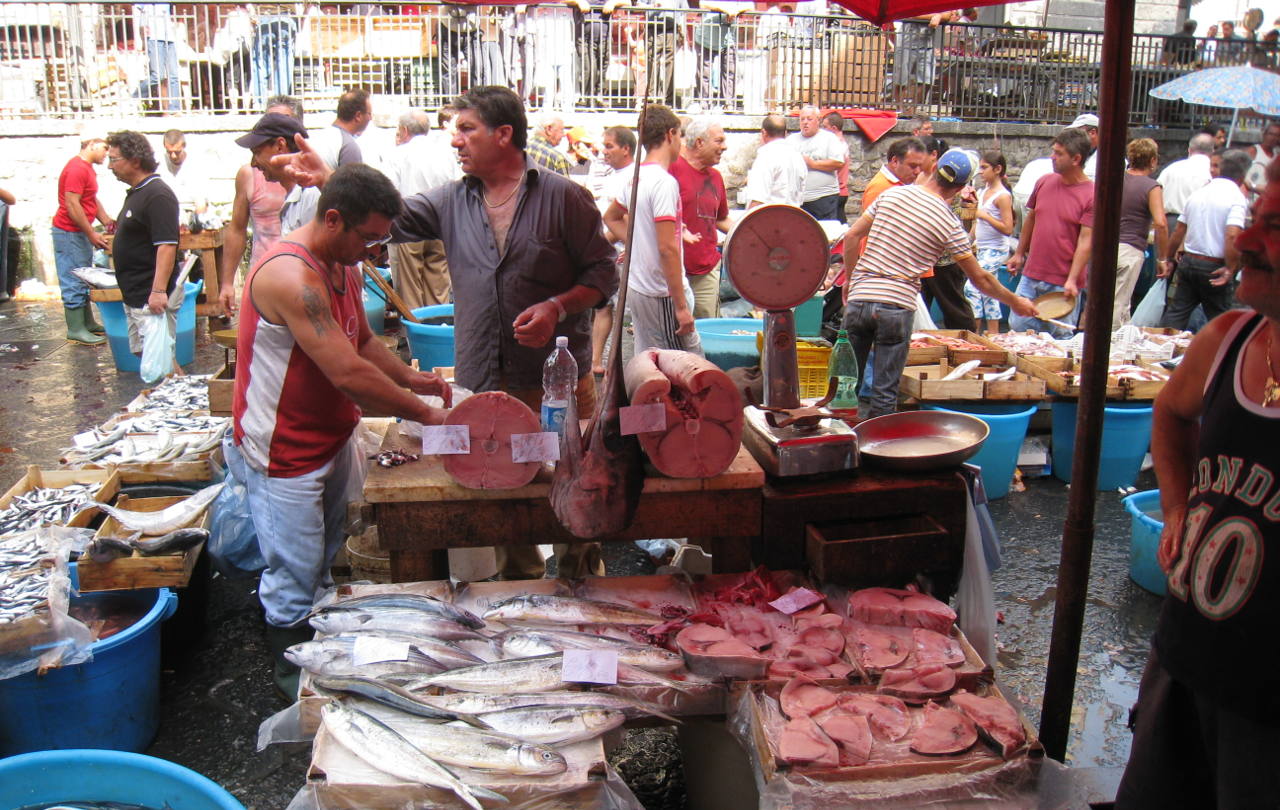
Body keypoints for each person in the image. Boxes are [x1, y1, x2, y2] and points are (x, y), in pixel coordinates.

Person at [280, 86, 618, 581]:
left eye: (466, 129)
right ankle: (519, 596)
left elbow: (603, 274)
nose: (454, 141)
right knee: (504, 497)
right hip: (486, 382)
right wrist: (332, 181)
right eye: (453, 131)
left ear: (504, 135)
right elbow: (387, 217)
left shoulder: (564, 197)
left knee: (575, 488)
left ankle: (584, 587)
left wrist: (556, 306)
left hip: (555, 385)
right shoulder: (450, 200)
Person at [230, 163, 452, 699]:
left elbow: (364, 345)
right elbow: (348, 373)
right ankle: (290, 665)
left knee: (328, 550)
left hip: (330, 434)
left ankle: (321, 629)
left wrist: (416, 380)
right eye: (370, 238)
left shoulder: (341, 266)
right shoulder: (290, 275)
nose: (376, 250)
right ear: (333, 219)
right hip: (283, 447)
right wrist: (425, 415)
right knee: (293, 564)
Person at [1113, 159, 1280, 810]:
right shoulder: (1228, 338)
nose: (1249, 243)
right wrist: (1179, 507)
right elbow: (1170, 413)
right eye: (1258, 220)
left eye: (1276, 227)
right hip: (1183, 658)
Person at [840, 150, 1035, 418]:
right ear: (959, 188)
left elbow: (851, 237)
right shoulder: (948, 222)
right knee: (884, 396)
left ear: (933, 170)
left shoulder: (893, 194)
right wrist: (1015, 302)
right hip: (896, 305)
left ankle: (837, 447)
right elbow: (981, 278)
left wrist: (851, 280)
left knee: (844, 388)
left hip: (861, 298)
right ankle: (873, 454)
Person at [605, 105, 702, 355]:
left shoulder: (636, 178)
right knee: (689, 369)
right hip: (661, 294)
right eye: (680, 136)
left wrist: (636, 245)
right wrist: (681, 307)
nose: (681, 142)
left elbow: (612, 217)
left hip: (642, 289)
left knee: (649, 366)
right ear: (670, 134)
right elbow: (667, 248)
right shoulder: (663, 182)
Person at [218, 96, 303, 317]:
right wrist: (227, 283)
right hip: (261, 280)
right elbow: (236, 229)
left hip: (299, 287)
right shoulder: (250, 174)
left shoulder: (312, 183)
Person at [1007, 128, 1095, 338]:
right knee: (1019, 329)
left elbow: (1086, 241)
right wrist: (1019, 253)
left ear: (1076, 159)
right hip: (1032, 272)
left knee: (1059, 338)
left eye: (1058, 153)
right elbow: (1032, 218)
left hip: (1062, 280)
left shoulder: (1091, 194)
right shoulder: (1044, 181)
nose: (1052, 157)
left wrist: (1072, 279)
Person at [104, 131, 182, 364]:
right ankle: (171, 392)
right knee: (146, 352)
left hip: (150, 293)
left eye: (114, 159)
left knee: (160, 357)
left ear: (135, 161)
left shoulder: (157, 194)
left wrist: (158, 291)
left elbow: (167, 245)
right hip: (136, 292)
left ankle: (181, 397)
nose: (109, 166)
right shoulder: (138, 193)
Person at [1159, 149, 1250, 330]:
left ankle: (1163, 345)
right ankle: (1222, 355)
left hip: (1190, 261)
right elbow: (1232, 234)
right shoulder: (1236, 198)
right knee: (1221, 319)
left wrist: (1167, 258)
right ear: (1242, 176)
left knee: (1178, 311)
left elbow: (1179, 230)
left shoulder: (1198, 193)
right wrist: (1231, 268)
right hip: (1214, 265)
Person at [387, 110, 460, 310]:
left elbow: (388, 190)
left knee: (410, 290)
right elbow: (457, 186)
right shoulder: (445, 154)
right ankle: (439, 328)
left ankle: (414, 337)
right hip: (440, 225)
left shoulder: (398, 154)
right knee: (439, 287)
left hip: (408, 227)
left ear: (404, 130)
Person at [52, 137, 112, 345]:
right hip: (69, 232)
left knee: (84, 276)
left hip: (77, 232)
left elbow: (90, 199)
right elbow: (72, 204)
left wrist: (106, 221)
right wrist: (90, 233)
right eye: (105, 148)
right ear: (92, 144)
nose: (107, 153)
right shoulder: (77, 168)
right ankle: (75, 328)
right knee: (73, 277)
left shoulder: (86, 168)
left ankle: (87, 322)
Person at [670, 117, 730, 319]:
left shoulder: (716, 177)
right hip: (673, 269)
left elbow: (720, 219)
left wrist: (748, 234)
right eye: (719, 141)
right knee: (673, 330)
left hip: (706, 267)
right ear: (699, 142)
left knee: (706, 328)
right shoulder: (671, 169)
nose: (725, 147)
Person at [592, 125, 636, 375]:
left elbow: (626, 220)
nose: (604, 151)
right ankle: (597, 361)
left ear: (626, 149)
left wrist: (603, 241)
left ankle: (620, 367)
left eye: (609, 146)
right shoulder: (613, 175)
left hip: (620, 253)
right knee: (603, 306)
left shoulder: (632, 177)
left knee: (623, 313)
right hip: (608, 254)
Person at [1115, 138, 1168, 329]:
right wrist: (1162, 259)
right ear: (1152, 160)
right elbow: (1161, 223)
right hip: (1130, 249)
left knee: (1107, 302)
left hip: (1104, 248)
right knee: (1118, 305)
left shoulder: (1115, 178)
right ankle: (1111, 352)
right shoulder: (1151, 187)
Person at [965, 150, 1014, 334]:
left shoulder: (1002, 195)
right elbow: (977, 222)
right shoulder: (983, 191)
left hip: (996, 249)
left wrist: (984, 215)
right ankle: (992, 335)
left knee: (973, 286)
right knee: (989, 292)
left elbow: (1008, 228)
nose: (981, 171)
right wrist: (970, 239)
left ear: (997, 169)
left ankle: (974, 332)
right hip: (983, 248)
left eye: (985, 168)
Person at [892, 13, 961, 116]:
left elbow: (948, 15)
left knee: (927, 79)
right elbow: (911, 13)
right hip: (906, 40)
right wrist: (935, 16)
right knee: (902, 78)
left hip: (927, 43)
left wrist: (939, 16)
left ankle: (912, 108)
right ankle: (900, 109)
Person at [789, 105, 846, 222]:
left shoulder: (829, 138)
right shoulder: (790, 140)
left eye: (809, 119)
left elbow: (838, 163)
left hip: (823, 197)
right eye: (802, 119)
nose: (805, 122)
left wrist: (812, 164)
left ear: (818, 120)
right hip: (798, 199)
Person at [1158, 133, 1215, 236]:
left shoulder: (1171, 169)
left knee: (1164, 252)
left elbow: (1157, 192)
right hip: (1197, 224)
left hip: (1168, 222)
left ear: (1189, 150)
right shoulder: (1212, 172)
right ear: (1212, 152)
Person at [745, 114, 805, 208]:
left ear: (763, 132)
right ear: (785, 133)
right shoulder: (798, 157)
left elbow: (757, 199)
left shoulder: (766, 157)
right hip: (793, 216)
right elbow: (800, 196)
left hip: (770, 217)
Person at [309, 88, 369, 171]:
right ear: (358, 116)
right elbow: (352, 183)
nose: (371, 118)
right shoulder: (348, 146)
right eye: (369, 113)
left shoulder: (318, 136)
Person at [137, 3, 181, 113]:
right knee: (157, 75)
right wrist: (142, 38)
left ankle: (175, 108)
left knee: (174, 75)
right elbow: (138, 15)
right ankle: (135, 95)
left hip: (169, 37)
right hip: (154, 37)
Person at [157, 129, 208, 216]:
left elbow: (201, 203)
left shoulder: (196, 164)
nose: (173, 156)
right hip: (165, 212)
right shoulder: (159, 163)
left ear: (184, 146)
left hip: (189, 212)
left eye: (177, 152)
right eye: (169, 152)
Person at [822, 112, 852, 223]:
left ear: (833, 128)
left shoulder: (837, 146)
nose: (822, 130)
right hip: (840, 191)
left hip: (836, 192)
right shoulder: (841, 143)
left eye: (825, 127)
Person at [1246, 120, 1280, 197]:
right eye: (1271, 134)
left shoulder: (1276, 156)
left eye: (1277, 135)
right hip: (1250, 195)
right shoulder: (1253, 151)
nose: (1273, 138)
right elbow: (1240, 173)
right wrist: (1252, 186)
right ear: (1264, 134)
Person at [1070, 112, 1101, 181]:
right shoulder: (1077, 153)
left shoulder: (1110, 160)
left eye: (1078, 133)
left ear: (1093, 133)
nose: (1073, 137)